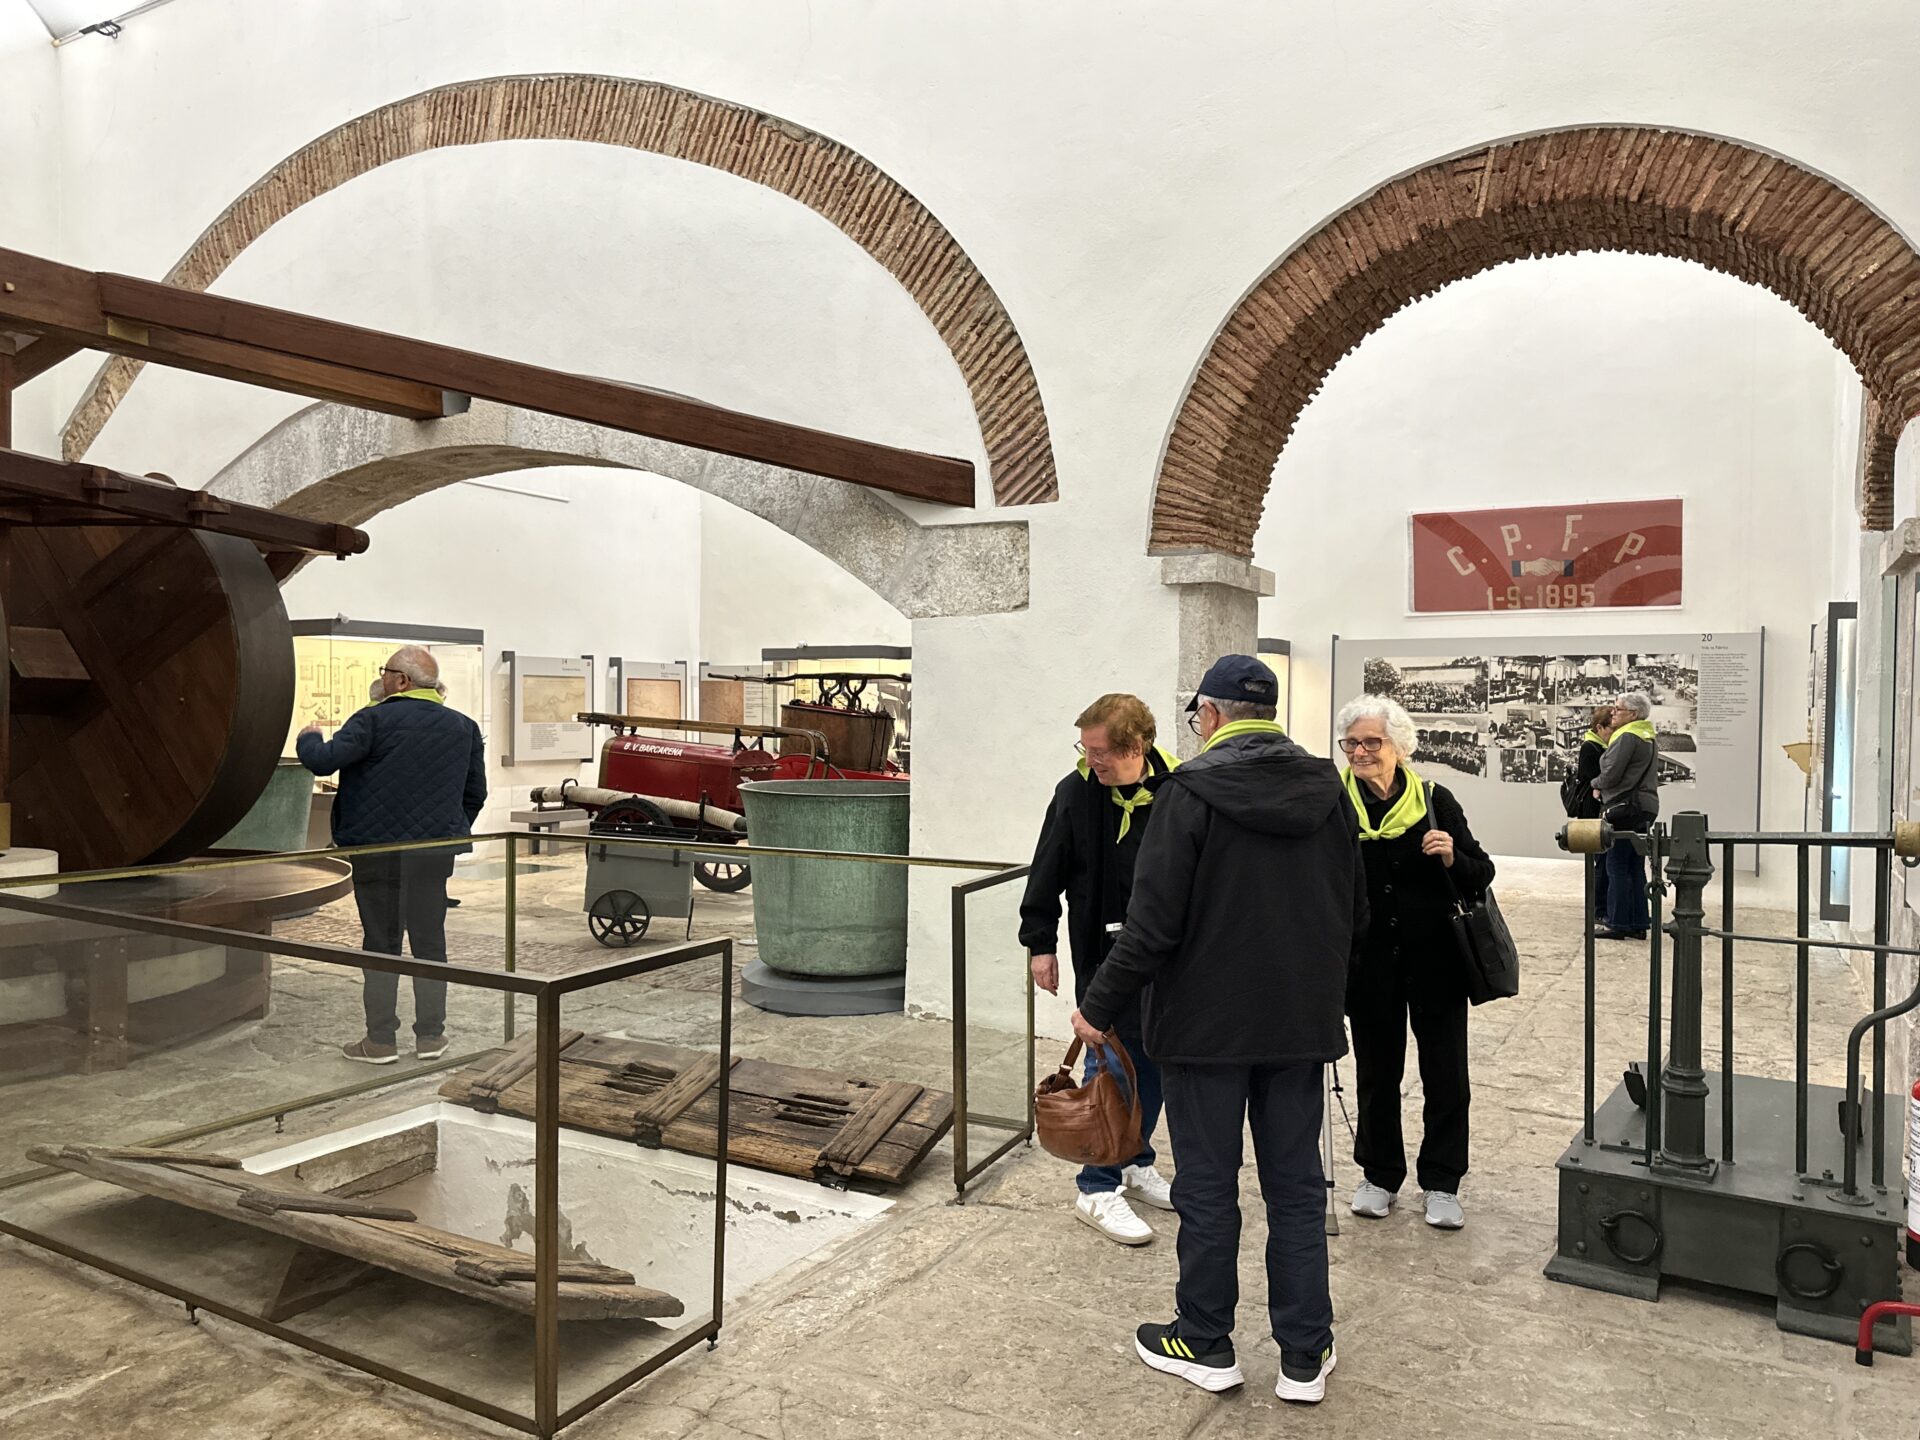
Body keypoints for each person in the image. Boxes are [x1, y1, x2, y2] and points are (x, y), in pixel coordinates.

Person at [1072, 655, 1364, 1405]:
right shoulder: (1330, 790)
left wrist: (1098, 1006)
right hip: (1297, 1025)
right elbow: (1354, 914)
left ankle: (1205, 1339)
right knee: (1296, 1189)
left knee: (1207, 1186)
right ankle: (1305, 1353)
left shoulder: (1190, 791)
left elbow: (1151, 925)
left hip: (1204, 1031)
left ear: (1209, 715)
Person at [1019, 694, 1179, 1245]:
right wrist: (1040, 944)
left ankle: (1133, 1159)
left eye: (1103, 751)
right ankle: (1096, 1185)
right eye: (1086, 749)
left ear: (1139, 746)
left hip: (1164, 954)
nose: (1092, 761)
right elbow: (1047, 870)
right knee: (1108, 1061)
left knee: (1153, 1060)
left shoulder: (1176, 790)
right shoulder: (1075, 792)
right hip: (1102, 952)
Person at [1337, 696, 1495, 1233]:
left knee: (1446, 1075)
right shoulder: (1337, 803)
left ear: (1399, 746)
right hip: (1369, 965)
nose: (1360, 752)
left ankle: (1443, 1181)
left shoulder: (1433, 799)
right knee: (1376, 1075)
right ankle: (1378, 1175)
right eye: (1352, 743)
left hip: (1437, 962)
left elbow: (1481, 871)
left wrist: (1452, 855)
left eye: (1371, 742)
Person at [298, 646, 487, 1064]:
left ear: (401, 680)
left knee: (381, 944)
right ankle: (431, 1037)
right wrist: (446, 828)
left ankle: (380, 1041)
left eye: (385, 671)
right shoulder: (464, 727)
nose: (382, 677)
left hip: (377, 852)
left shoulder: (373, 720)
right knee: (430, 942)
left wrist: (309, 735)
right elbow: (476, 792)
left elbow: (322, 762)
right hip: (433, 854)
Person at [1594, 690, 1660, 941]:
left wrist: (1595, 783)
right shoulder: (1646, 736)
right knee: (1635, 865)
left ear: (1633, 714)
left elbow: (1612, 774)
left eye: (1618, 708)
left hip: (1624, 809)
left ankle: (1618, 922)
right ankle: (1638, 922)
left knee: (1617, 865)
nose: (1613, 712)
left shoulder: (1627, 737)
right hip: (1644, 807)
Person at [1571, 705, 1615, 918]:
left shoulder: (1601, 746)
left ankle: (1602, 907)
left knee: (1603, 861)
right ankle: (1598, 909)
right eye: (1611, 729)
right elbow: (1593, 779)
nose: (1613, 733)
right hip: (1592, 810)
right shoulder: (1590, 747)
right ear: (1599, 727)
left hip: (1598, 808)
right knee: (1600, 861)